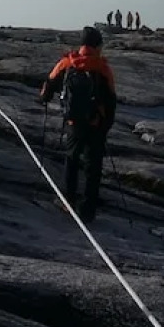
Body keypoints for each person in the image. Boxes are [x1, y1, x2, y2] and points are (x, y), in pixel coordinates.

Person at [39, 25, 117, 223]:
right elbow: (111, 100)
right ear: (97, 45)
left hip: (74, 122)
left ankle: (68, 201)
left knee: (72, 159)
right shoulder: (102, 67)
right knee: (93, 166)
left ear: (82, 44)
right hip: (95, 123)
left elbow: (49, 84)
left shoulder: (68, 62)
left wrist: (45, 98)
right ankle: (88, 210)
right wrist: (105, 126)